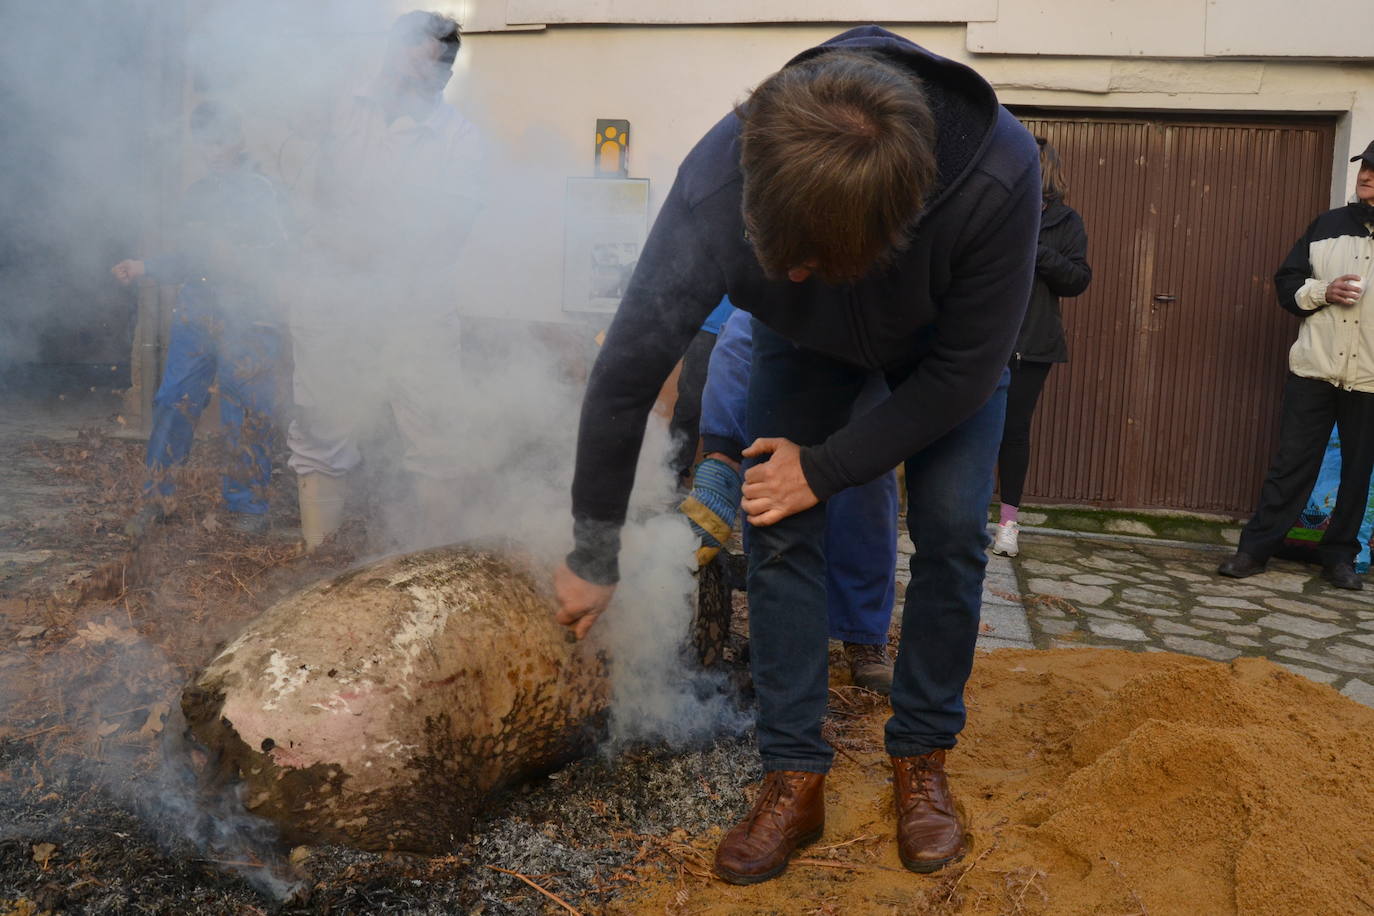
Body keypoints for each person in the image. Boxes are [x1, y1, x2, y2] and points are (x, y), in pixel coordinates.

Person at [553, 27, 1039, 884]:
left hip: (940, 358)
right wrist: (594, 552)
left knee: (955, 531)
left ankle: (921, 754)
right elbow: (628, 369)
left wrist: (826, 466)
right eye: (783, 259)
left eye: (812, 262)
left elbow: (964, 376)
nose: (796, 273)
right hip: (802, 349)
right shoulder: (719, 178)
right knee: (774, 522)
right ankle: (793, 771)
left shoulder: (997, 177)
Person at [285, 10, 484, 550]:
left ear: (446, 73)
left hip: (416, 307)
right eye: (407, 66)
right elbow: (301, 199)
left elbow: (446, 232)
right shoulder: (336, 114)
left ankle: (437, 567)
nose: (416, 81)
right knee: (322, 430)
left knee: (437, 438)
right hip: (329, 300)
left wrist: (365, 241)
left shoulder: (461, 141)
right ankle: (316, 559)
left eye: (432, 72)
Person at [683, 307, 900, 693]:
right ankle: (776, 634)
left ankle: (863, 636)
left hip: (874, 350)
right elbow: (737, 346)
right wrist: (721, 458)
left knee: (864, 490)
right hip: (792, 357)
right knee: (767, 476)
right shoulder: (773, 284)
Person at [116, 101, 288, 537]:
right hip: (198, 308)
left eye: (221, 140)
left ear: (239, 140)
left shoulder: (264, 193)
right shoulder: (198, 194)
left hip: (249, 313)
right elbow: (191, 257)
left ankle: (248, 506)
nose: (213, 150)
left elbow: (281, 258)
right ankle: (157, 499)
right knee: (174, 400)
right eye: (206, 142)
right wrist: (145, 266)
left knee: (245, 411)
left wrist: (243, 258)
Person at [1217, 141, 1374, 591]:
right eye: (1364, 167)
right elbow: (1287, 285)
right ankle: (1254, 550)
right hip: (1314, 370)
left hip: (1369, 379)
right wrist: (1323, 291)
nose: (1365, 176)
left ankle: (1340, 556)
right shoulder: (1326, 226)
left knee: (1358, 471)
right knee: (1291, 464)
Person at [991, 137, 1092, 557]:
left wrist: (1037, 254)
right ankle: (960, 514)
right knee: (969, 429)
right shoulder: (993, 210)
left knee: (1013, 432)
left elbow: (1077, 280)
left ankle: (1008, 525)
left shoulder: (1066, 221)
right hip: (984, 342)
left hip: (1032, 344)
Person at [666, 297, 737, 489]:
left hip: (747, 327)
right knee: (689, 405)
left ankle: (728, 484)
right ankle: (673, 473)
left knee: (738, 405)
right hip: (706, 329)